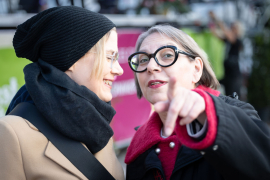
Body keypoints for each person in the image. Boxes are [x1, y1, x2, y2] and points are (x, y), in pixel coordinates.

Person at [124, 24, 270, 180]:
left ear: (196, 69)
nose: (151, 67)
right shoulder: (138, 147)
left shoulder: (237, 113)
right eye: (143, 59)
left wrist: (209, 118)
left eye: (167, 55)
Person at [0, 6, 124, 180]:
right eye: (110, 57)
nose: (119, 70)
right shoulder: (12, 133)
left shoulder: (98, 122)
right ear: (71, 57)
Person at [209, 11, 244, 99]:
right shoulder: (228, 40)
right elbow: (217, 34)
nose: (231, 28)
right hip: (227, 74)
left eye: (233, 27)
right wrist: (212, 24)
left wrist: (216, 18)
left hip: (234, 76)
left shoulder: (237, 41)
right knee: (227, 96)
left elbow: (226, 32)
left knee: (234, 98)